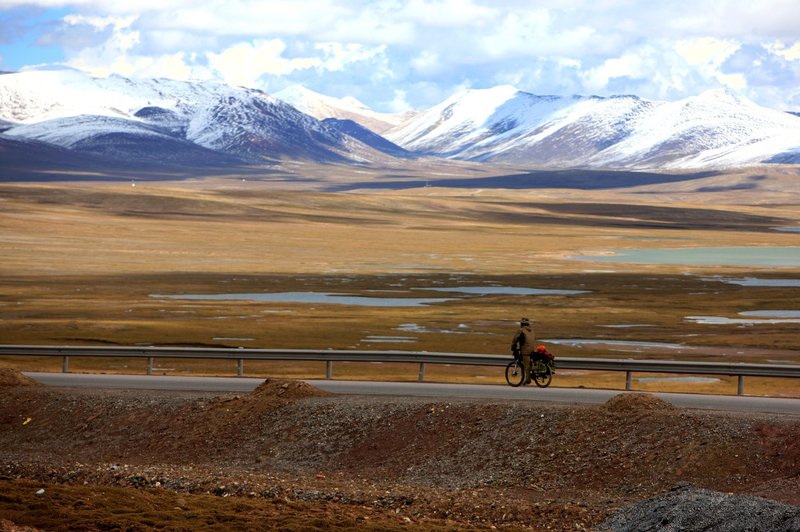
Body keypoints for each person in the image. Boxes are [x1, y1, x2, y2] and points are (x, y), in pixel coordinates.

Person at [511, 317, 536, 384]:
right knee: (529, 364)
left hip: (526, 350)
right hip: (532, 349)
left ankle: (528, 379)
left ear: (522, 324)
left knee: (526, 365)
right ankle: (530, 375)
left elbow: (515, 339)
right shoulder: (531, 330)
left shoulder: (521, 330)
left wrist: (513, 347)